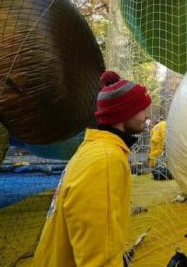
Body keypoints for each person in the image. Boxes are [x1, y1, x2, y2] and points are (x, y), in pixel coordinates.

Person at [33, 70, 152, 267]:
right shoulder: (105, 161)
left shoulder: (96, 148)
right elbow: (98, 256)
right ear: (125, 113)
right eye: (142, 109)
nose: (146, 116)